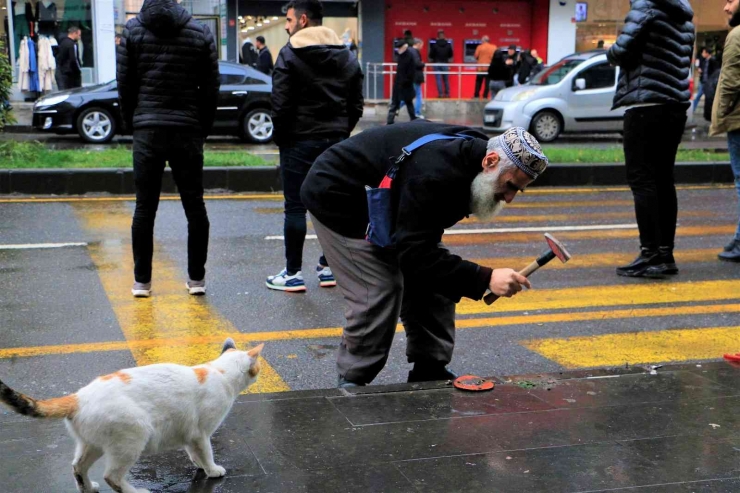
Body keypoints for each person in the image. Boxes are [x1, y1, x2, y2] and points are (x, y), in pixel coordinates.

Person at [301, 123, 548, 387]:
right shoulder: (435, 173)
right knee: (379, 289)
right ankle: (350, 382)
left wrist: (464, 275)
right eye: (509, 185)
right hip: (338, 195)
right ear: (490, 160)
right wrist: (485, 278)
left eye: (517, 191)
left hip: (389, 202)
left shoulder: (474, 154)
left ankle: (430, 369)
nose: (509, 198)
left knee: (436, 280)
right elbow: (415, 254)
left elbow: (421, 246)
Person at [117, 0, 220, 298]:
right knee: (194, 205)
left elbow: (125, 84)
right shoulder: (199, 31)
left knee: (144, 207)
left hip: (147, 129)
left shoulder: (133, 30)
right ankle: (196, 280)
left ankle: (142, 283)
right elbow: (211, 87)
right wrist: (203, 127)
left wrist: (132, 123)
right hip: (187, 128)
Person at [268, 0, 364, 292]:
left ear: (303, 20)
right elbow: (355, 104)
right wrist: (340, 131)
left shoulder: (289, 54)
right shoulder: (347, 56)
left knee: (295, 207)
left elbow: (280, 105)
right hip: (335, 140)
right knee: (332, 205)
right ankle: (328, 268)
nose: (286, 26)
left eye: (288, 19)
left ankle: (293, 273)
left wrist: (283, 138)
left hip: (298, 140)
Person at [608, 0, 694, 278]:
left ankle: (650, 254)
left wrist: (609, 51)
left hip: (645, 106)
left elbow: (620, 51)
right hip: (675, 107)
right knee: (663, 180)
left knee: (642, 180)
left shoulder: (645, 7)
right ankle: (665, 254)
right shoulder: (685, 16)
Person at [710, 0, 740, 262]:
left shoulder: (737, 35)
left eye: (731, 0)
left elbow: (730, 82)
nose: (726, 7)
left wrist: (723, 112)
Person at [387, 40, 416, 124]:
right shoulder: (402, 55)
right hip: (399, 84)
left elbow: (411, 71)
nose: (398, 50)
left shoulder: (408, 56)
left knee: (407, 102)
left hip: (405, 84)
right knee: (396, 102)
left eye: (399, 48)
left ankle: (413, 118)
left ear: (404, 47)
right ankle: (390, 120)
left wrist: (406, 81)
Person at [400, 38, 425, 119]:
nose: (422, 47)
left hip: (410, 76)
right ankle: (417, 112)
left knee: (409, 95)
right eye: (421, 45)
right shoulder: (414, 52)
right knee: (417, 95)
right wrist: (423, 64)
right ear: (418, 44)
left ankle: (395, 107)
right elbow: (417, 64)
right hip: (415, 77)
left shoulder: (409, 51)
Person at [693, 47, 719, 113]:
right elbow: (701, 67)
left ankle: (710, 112)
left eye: (704, 52)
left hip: (709, 83)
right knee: (699, 96)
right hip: (703, 81)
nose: (702, 54)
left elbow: (716, 72)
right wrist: (700, 69)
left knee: (709, 98)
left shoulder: (713, 60)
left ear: (707, 53)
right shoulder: (704, 60)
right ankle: (693, 109)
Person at [429, 30, 453, 98]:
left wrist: (432, 61)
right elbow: (451, 55)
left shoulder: (434, 45)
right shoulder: (448, 44)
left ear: (438, 37)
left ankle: (440, 94)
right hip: (445, 63)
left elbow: (431, 55)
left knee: (438, 79)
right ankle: (447, 94)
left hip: (436, 63)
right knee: (446, 79)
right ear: (444, 37)